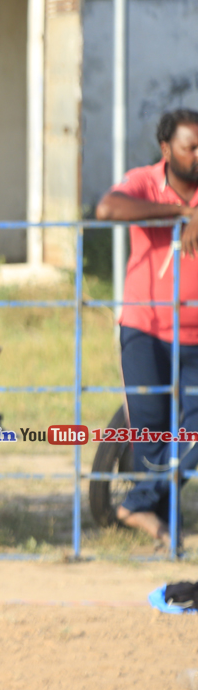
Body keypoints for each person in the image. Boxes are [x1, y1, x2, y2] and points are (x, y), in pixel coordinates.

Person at [95, 108, 198, 547]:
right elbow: (107, 208)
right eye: (191, 147)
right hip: (145, 328)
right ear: (166, 149)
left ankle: (136, 504)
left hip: (195, 335)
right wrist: (178, 212)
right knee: (151, 429)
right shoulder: (144, 180)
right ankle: (158, 517)